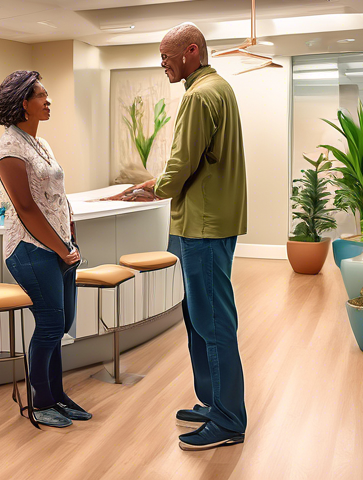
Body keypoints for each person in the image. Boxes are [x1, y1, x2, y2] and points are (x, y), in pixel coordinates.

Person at [112, 22, 248, 451]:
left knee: (211, 322)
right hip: (210, 223)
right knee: (199, 317)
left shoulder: (198, 95)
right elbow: (192, 160)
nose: (163, 64)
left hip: (201, 226)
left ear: (192, 51)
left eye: (167, 56)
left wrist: (149, 188)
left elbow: (181, 162)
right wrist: (158, 183)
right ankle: (213, 402)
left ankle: (227, 419)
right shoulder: (219, 88)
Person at [0, 70, 90, 428]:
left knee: (62, 323)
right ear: (23, 103)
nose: (49, 101)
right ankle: (41, 402)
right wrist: (61, 249)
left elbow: (58, 197)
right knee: (50, 323)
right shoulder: (9, 149)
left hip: (59, 245)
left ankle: (59, 396)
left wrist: (71, 239)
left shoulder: (41, 144)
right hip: (29, 248)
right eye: (42, 96)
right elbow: (27, 208)